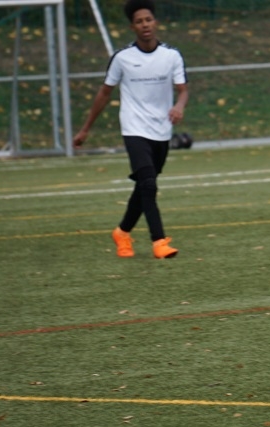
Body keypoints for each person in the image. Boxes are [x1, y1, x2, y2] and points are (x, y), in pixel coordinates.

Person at [73, 0, 188, 259]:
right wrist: (85, 129)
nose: (145, 25)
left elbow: (183, 90)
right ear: (132, 27)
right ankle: (159, 241)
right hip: (134, 128)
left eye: (148, 19)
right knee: (148, 183)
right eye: (139, 21)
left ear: (155, 22)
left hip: (161, 130)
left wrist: (179, 106)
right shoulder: (122, 58)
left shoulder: (172, 56)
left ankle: (122, 232)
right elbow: (104, 93)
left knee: (145, 185)